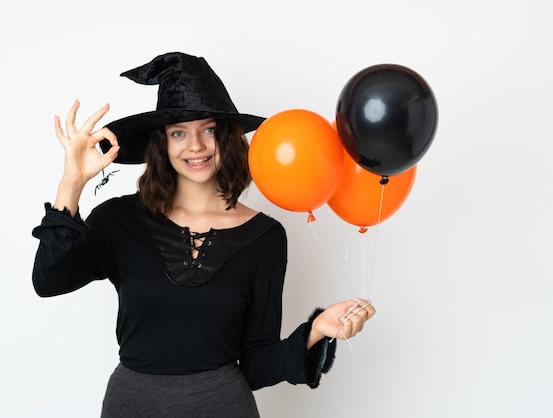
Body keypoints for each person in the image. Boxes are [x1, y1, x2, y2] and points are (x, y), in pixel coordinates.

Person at [32, 52, 375, 418]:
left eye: (207, 129)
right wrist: (71, 184)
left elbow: (257, 363)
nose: (195, 146)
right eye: (178, 132)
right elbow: (49, 280)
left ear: (226, 137)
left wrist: (315, 330)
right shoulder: (119, 220)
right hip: (132, 406)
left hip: (224, 407)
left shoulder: (266, 237)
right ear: (161, 143)